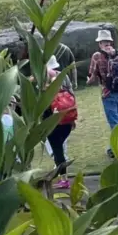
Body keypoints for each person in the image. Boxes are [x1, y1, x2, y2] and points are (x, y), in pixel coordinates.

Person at [86, 31, 118, 141]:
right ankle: (113, 148)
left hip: (107, 92)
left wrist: (88, 81)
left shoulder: (97, 56)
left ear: (100, 43)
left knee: (114, 123)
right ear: (111, 42)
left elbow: (92, 77)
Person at [45, 60, 79, 189]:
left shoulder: (46, 90)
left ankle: (63, 179)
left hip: (53, 124)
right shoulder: (65, 84)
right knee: (59, 150)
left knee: (58, 151)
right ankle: (61, 174)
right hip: (67, 122)